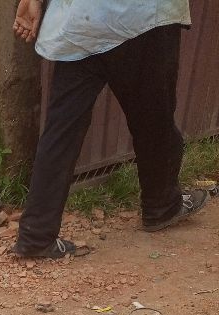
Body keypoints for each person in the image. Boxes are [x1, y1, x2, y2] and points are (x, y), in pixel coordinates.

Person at [12, 0, 208, 259]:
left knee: (61, 131)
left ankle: (36, 234)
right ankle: (161, 206)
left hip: (81, 22)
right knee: (154, 118)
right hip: (142, 18)